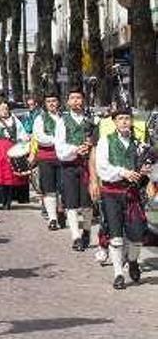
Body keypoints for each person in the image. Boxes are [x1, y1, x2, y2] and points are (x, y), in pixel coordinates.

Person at [94, 108, 156, 289]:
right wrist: (123, 172)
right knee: (116, 236)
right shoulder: (106, 141)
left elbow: (145, 172)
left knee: (137, 234)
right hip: (111, 193)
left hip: (132, 194)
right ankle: (118, 274)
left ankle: (133, 260)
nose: (124, 122)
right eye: (120, 118)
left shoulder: (139, 144)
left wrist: (145, 173)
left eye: (127, 118)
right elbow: (102, 168)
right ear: (114, 122)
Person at [54, 88, 95, 251]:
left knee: (87, 203)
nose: (76, 101)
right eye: (73, 98)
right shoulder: (62, 121)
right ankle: (75, 236)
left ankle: (86, 230)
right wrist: (75, 150)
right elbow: (59, 147)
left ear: (83, 100)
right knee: (70, 203)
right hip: (69, 166)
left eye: (79, 98)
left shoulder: (90, 120)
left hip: (87, 166)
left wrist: (90, 146)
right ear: (68, 102)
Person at [0, 99, 29, 210]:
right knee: (0, 177)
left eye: (6, 109)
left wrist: (22, 146)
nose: (4, 111)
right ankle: (2, 199)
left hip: (10, 150)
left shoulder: (15, 121)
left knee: (10, 176)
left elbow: (22, 135)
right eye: (2, 108)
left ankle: (9, 200)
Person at [32, 88, 65, 230]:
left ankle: (61, 212)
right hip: (46, 158)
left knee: (63, 188)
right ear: (45, 104)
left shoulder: (64, 117)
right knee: (49, 189)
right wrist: (58, 140)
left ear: (58, 102)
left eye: (54, 101)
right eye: (49, 101)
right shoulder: (40, 118)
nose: (52, 104)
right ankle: (52, 218)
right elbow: (40, 138)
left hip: (63, 157)